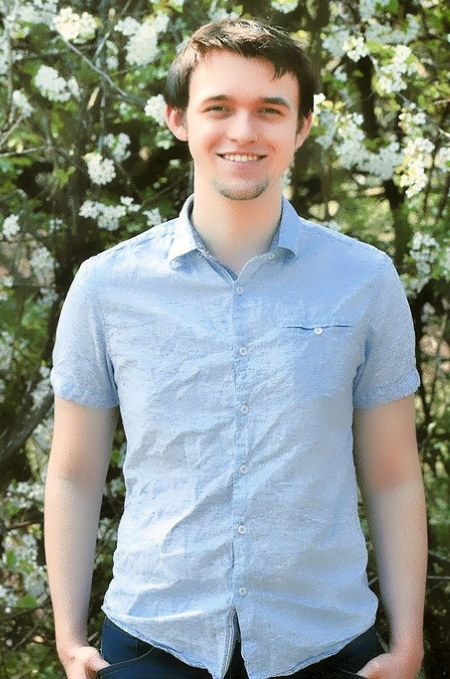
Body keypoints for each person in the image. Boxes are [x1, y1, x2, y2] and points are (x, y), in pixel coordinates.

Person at [44, 17, 427, 679]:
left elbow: (393, 474)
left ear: (301, 127)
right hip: (149, 643)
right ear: (177, 120)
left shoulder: (365, 282)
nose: (244, 132)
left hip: (328, 647)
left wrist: (409, 643)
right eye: (218, 107)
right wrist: (68, 634)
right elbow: (75, 471)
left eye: (269, 110)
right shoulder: (106, 286)